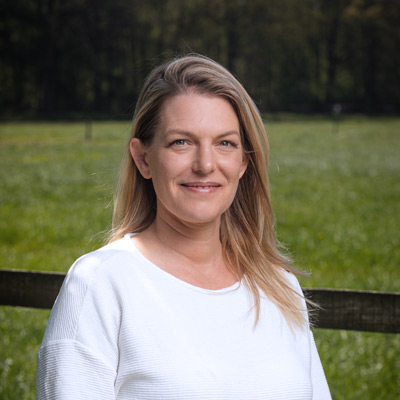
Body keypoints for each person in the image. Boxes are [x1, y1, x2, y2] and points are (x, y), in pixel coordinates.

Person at [36, 54, 331, 399]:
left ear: (243, 162)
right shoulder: (99, 284)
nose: (205, 164)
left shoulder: (280, 286)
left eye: (225, 143)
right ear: (143, 159)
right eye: (181, 142)